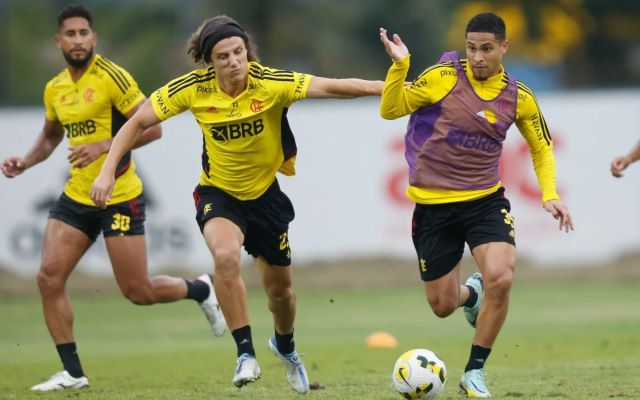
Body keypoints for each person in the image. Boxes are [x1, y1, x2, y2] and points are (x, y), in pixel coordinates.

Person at [90, 15, 383, 394]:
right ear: (209, 61)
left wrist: (389, 86)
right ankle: (245, 353)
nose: (233, 61)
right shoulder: (192, 88)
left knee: (281, 293)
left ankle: (285, 346)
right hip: (219, 195)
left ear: (248, 51)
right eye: (223, 55)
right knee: (225, 257)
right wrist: (107, 171)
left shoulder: (271, 83)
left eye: (238, 52)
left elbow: (337, 86)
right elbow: (135, 123)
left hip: (266, 199)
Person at [1, 5, 226, 392]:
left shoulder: (112, 78)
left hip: (120, 196)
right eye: (69, 34)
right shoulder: (55, 87)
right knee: (48, 278)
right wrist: (27, 161)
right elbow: (52, 136)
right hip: (77, 196)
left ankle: (201, 289)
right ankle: (73, 372)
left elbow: (153, 131)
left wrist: (105, 145)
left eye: (83, 33)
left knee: (138, 292)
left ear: (94, 38)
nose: (76, 40)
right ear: (59, 41)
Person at [379, 12, 573, 398]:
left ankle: (474, 372)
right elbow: (391, 108)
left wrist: (549, 194)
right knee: (442, 304)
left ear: (504, 47)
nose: (478, 57)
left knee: (501, 277)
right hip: (434, 209)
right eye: (471, 48)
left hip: (485, 202)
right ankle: (471, 294)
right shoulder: (443, 77)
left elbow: (541, 148)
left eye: (486, 49)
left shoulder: (519, 96)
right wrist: (400, 67)